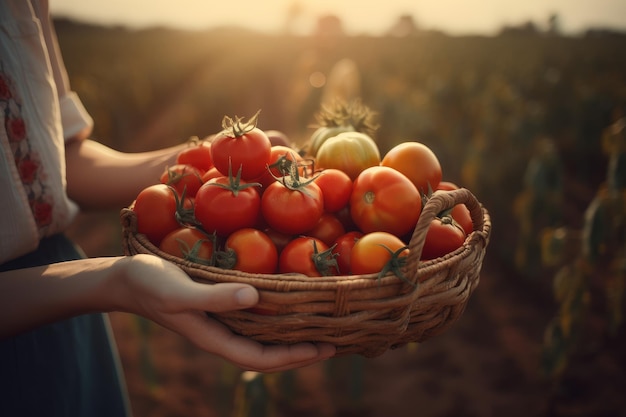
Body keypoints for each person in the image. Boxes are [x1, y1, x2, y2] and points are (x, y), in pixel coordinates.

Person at [0, 1, 335, 416]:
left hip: (66, 307)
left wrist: (201, 160)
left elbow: (62, 160)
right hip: (48, 302)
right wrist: (113, 281)